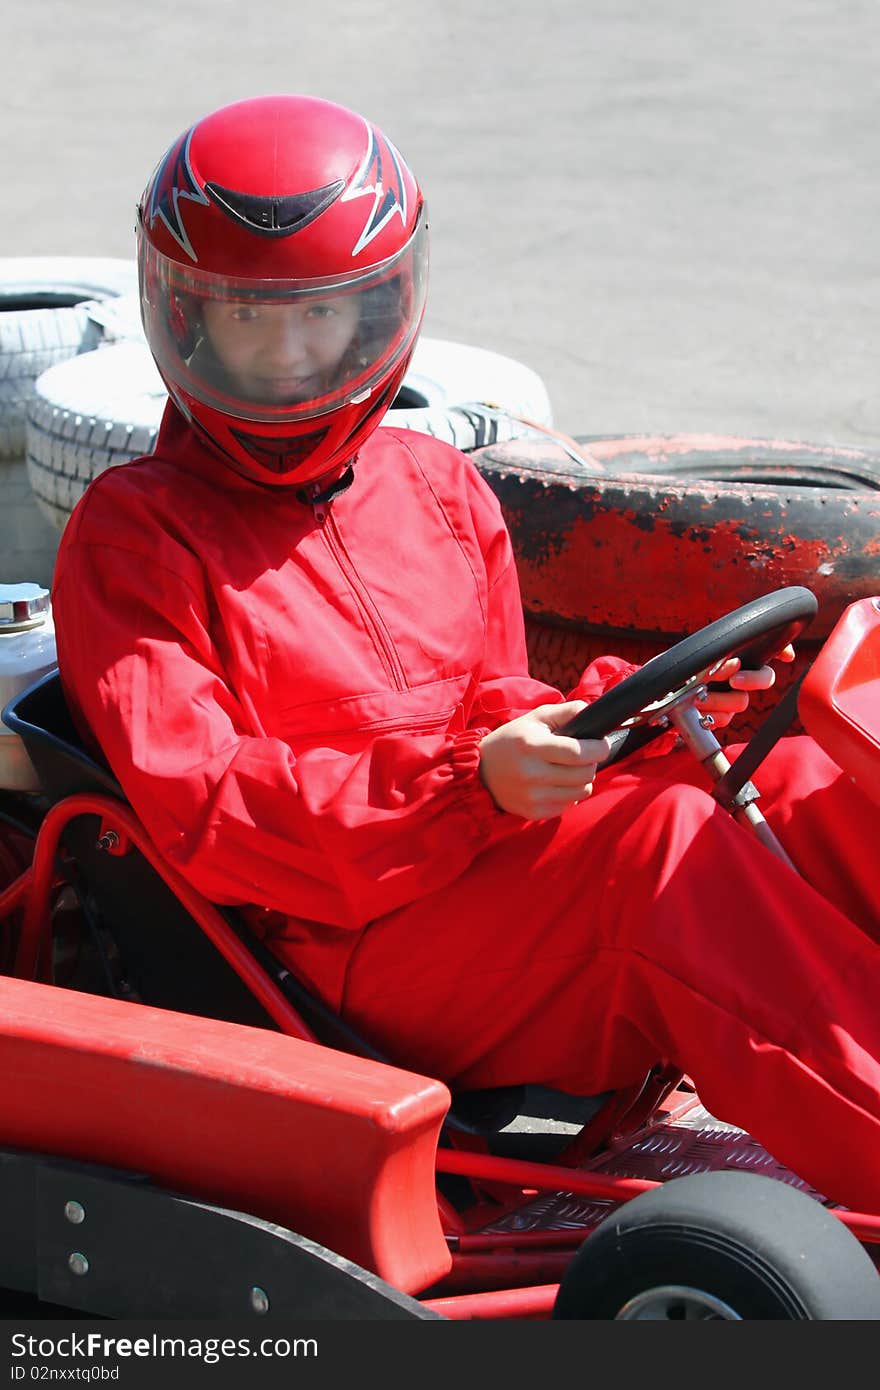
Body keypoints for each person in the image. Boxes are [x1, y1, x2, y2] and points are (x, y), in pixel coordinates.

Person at [53, 94, 880, 1214]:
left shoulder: (435, 488)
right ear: (186, 320)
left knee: (797, 783)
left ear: (382, 313)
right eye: (252, 321)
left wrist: (638, 710)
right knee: (659, 860)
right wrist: (464, 785)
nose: (290, 360)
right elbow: (213, 811)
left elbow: (503, 710)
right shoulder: (136, 534)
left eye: (322, 319)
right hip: (334, 944)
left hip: (475, 869)